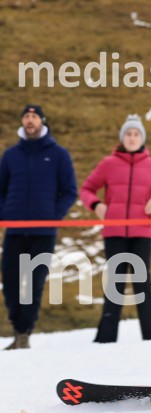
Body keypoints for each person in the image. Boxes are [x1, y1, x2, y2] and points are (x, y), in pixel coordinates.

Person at [80, 115, 151, 343]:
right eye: (129, 134)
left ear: (142, 138)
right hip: (113, 232)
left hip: (142, 232)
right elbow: (87, 190)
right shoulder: (108, 164)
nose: (132, 138)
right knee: (115, 283)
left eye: (136, 134)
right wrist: (97, 205)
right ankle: (105, 339)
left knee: (141, 282)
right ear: (123, 138)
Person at [0, 104, 77, 350]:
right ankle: (17, 328)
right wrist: (5, 213)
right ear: (22, 123)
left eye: (34, 117)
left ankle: (25, 333)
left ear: (42, 121)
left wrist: (54, 215)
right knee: (11, 283)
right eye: (26, 117)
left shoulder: (58, 154)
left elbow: (69, 191)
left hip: (44, 232)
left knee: (33, 283)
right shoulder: (11, 155)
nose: (30, 120)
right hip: (14, 231)